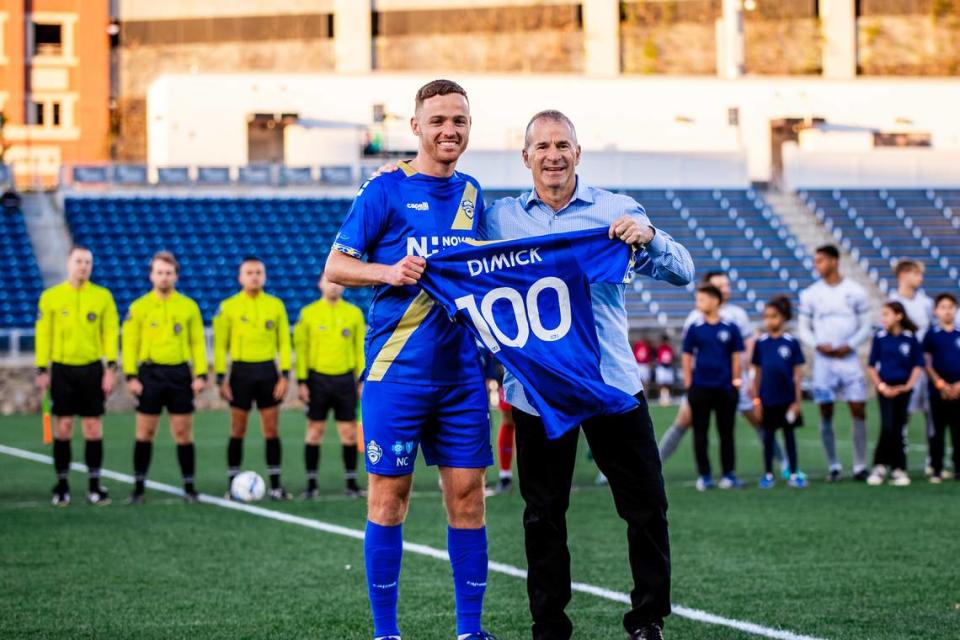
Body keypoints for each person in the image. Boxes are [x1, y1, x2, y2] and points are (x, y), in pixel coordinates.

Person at [479, 110, 693, 640]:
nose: (554, 155)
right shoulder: (498, 220)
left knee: (646, 507)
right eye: (543, 146)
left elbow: (684, 271)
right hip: (538, 390)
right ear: (525, 156)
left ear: (578, 152)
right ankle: (549, 625)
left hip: (610, 382)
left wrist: (650, 236)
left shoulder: (616, 211)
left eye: (563, 145)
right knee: (542, 515)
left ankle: (647, 618)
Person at [324, 80, 496, 640]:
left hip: (461, 378)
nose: (450, 130)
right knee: (388, 497)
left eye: (460, 122)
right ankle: (386, 632)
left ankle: (469, 631)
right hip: (395, 373)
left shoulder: (473, 194)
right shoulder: (384, 190)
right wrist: (388, 272)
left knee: (468, 498)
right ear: (416, 126)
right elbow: (336, 268)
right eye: (439, 120)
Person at [657, 271, 785, 472]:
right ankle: (650, 467)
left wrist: (750, 379)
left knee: (760, 421)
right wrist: (691, 384)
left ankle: (785, 464)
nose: (726, 289)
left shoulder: (738, 315)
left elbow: (750, 350)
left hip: (735, 382)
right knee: (682, 423)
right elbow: (689, 354)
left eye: (727, 285)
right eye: (721, 285)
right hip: (704, 383)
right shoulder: (695, 318)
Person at [35, 247, 119, 506]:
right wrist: (42, 369)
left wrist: (111, 368)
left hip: (92, 370)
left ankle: (94, 486)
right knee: (64, 427)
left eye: (88, 262)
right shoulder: (51, 297)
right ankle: (62, 486)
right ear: (68, 264)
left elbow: (109, 333)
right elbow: (43, 334)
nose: (83, 266)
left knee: (93, 428)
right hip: (62, 370)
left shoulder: (103, 296)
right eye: (79, 261)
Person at [122, 251, 207, 504]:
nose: (164, 277)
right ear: (151, 275)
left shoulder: (188, 306)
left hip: (179, 375)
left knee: (183, 433)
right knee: (145, 433)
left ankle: (189, 487)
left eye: (169, 273)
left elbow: (198, 344)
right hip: (150, 375)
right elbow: (129, 344)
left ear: (176, 276)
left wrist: (200, 374)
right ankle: (138, 488)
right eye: (159, 272)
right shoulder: (138, 307)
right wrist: (130, 376)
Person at [214, 257, 293, 500]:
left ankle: (277, 486)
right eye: (249, 272)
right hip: (240, 373)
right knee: (238, 429)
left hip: (268, 372)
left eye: (258, 272)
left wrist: (285, 375)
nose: (254, 276)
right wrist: (220, 378)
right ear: (240, 277)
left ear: (264, 276)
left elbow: (284, 343)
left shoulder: (276, 305)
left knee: (271, 429)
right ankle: (231, 485)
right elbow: (220, 345)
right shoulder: (228, 306)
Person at [798, 244, 873, 482]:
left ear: (834, 261)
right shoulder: (811, 293)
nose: (816, 265)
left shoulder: (855, 291)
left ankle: (860, 465)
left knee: (858, 409)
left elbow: (866, 324)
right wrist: (817, 344)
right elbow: (803, 327)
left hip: (848, 358)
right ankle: (834, 465)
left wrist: (850, 345)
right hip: (824, 361)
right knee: (825, 410)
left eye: (820, 260)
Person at [293, 271, 366, 498]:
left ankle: (351, 484)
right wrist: (302, 381)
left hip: (345, 380)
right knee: (314, 432)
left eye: (337, 282)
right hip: (318, 380)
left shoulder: (354, 314)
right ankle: (312, 484)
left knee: (349, 434)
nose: (333, 286)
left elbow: (359, 350)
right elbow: (302, 351)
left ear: (344, 285)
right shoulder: (308, 313)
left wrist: (361, 379)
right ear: (320, 284)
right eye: (329, 281)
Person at [683, 284, 745, 491]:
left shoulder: (730, 327)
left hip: (725, 388)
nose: (697, 303)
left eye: (701, 299)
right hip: (700, 388)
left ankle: (729, 474)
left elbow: (737, 356)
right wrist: (688, 382)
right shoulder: (695, 328)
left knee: (726, 433)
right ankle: (705, 475)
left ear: (715, 301)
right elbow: (687, 355)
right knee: (700, 433)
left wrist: (736, 381)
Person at [865, 302, 924, 487]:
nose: (883, 318)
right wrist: (881, 386)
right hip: (885, 390)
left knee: (899, 428)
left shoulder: (909, 338)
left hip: (903, 390)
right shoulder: (880, 337)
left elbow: (917, 364)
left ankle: (899, 469)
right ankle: (880, 465)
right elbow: (871, 366)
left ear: (898, 316)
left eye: (887, 314)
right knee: (888, 426)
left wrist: (908, 386)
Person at [751, 296, 806, 489]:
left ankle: (793, 473)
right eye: (766, 316)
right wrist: (756, 400)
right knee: (768, 438)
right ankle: (768, 474)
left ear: (783, 318)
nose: (769, 320)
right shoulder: (761, 343)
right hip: (767, 400)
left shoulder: (792, 342)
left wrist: (797, 402)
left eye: (774, 316)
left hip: (787, 399)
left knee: (789, 436)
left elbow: (797, 376)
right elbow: (756, 373)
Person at [887, 259, 936, 474]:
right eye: (917, 274)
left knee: (931, 412)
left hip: (925, 367)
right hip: (904, 369)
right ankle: (899, 458)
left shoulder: (925, 303)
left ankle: (932, 459)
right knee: (902, 414)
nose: (921, 279)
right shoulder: (893, 302)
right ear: (904, 274)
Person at [921, 293, 960, 483]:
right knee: (937, 431)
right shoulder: (931, 335)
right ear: (936, 311)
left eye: (951, 307)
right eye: (943, 307)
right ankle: (936, 467)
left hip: (959, 390)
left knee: (958, 430)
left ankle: (958, 468)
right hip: (937, 391)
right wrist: (940, 383)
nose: (947, 311)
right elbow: (926, 362)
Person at [654, 335, 675, 406]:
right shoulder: (659, 348)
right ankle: (660, 397)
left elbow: (673, 357)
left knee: (669, 383)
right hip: (661, 368)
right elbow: (656, 358)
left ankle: (668, 397)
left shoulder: (670, 348)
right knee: (661, 383)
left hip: (668, 368)